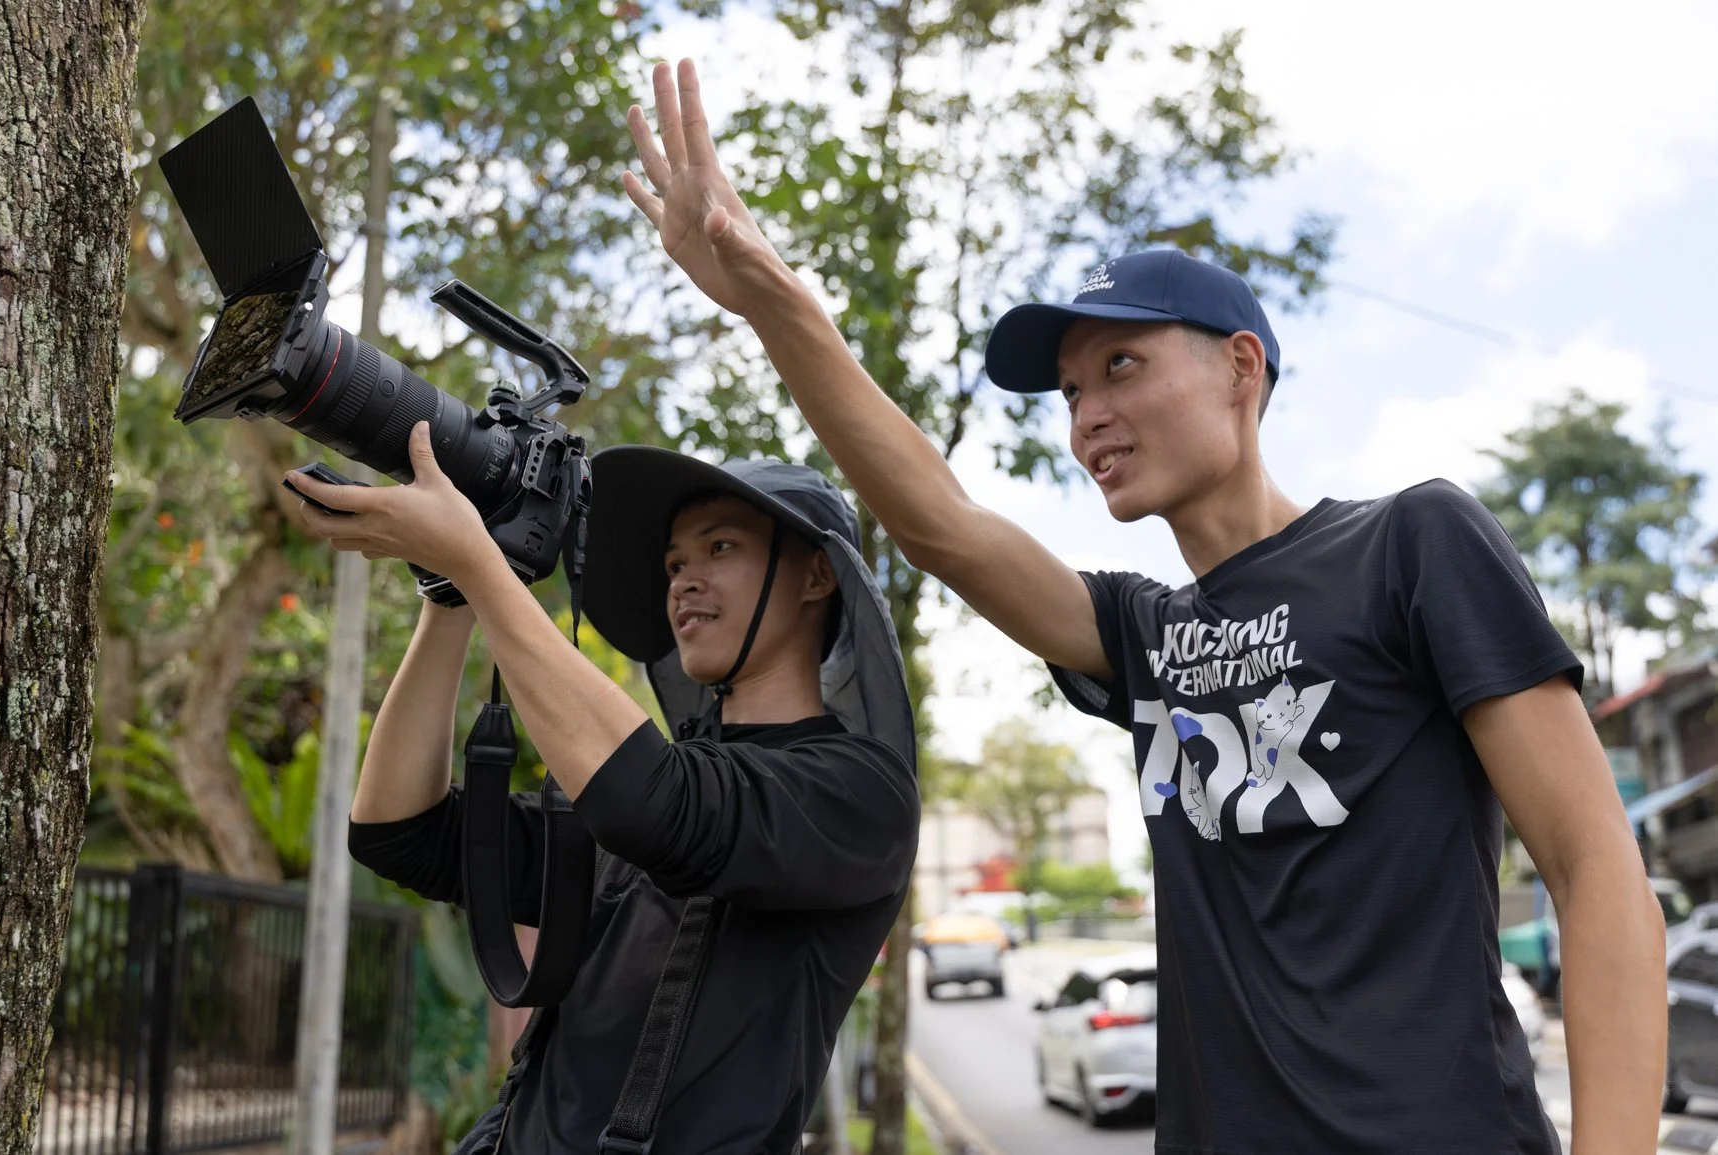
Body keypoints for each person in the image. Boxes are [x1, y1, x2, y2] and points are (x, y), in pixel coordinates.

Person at [617, 58, 1667, 1154]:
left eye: (1121, 365)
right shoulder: (1145, 633)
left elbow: (1594, 869)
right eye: (1073, 391)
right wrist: (774, 301)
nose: (1087, 417)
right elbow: (942, 525)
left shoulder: (1411, 544)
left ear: (1241, 369)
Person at [286, 435, 919, 1154]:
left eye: (719, 548)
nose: (683, 582)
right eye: (674, 564)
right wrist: (449, 596)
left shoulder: (863, 793)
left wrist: (479, 564)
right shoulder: (656, 787)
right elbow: (401, 833)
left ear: (816, 576)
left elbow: (658, 806)